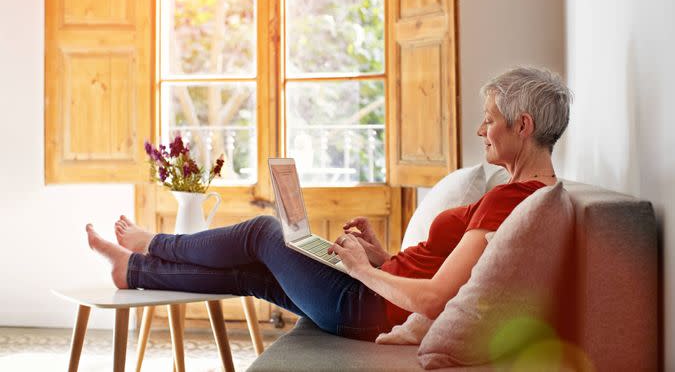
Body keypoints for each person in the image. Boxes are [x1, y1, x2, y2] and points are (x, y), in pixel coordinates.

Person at [86, 66, 572, 341]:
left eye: (490, 121)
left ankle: (157, 242)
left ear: (523, 126)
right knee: (252, 272)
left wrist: (361, 270)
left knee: (262, 232)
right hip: (369, 295)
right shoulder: (528, 196)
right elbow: (436, 272)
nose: (482, 131)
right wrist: (382, 257)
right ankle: (132, 270)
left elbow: (435, 299)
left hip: (363, 305)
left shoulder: (514, 199)